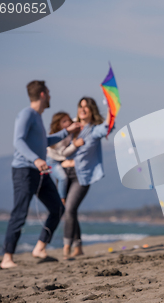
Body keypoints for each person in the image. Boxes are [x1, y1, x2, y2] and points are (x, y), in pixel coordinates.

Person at [1, 81, 81, 269]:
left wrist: (66, 132)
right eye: (49, 92)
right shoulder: (27, 114)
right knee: (20, 213)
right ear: (43, 94)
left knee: (57, 209)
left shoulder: (37, 117)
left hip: (40, 172)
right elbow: (18, 141)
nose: (51, 96)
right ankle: (7, 258)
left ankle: (39, 247)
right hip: (24, 171)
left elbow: (45, 141)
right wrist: (36, 159)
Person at [62, 97, 114, 259]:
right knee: (71, 210)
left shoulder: (94, 130)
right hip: (63, 174)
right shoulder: (70, 125)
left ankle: (66, 247)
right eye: (80, 106)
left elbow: (107, 128)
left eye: (86, 107)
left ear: (92, 111)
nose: (82, 109)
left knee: (69, 209)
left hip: (82, 176)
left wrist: (111, 110)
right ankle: (79, 246)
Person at [46, 112, 85, 205]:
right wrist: (75, 145)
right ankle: (61, 199)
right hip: (52, 161)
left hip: (62, 160)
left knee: (62, 180)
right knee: (62, 178)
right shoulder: (57, 138)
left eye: (68, 119)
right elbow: (64, 153)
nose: (68, 122)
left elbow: (76, 119)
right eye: (64, 121)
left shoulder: (71, 126)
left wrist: (80, 120)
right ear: (58, 126)